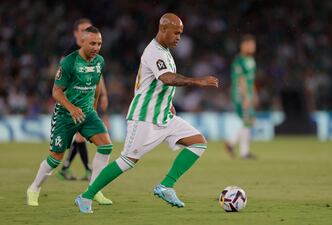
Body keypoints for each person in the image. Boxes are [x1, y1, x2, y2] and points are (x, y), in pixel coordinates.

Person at [74, 13, 219, 214]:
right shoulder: (154, 51)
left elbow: (152, 83)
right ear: (163, 29)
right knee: (127, 161)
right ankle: (86, 196)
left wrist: (167, 102)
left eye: (181, 34)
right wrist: (198, 81)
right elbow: (167, 78)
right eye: (176, 33)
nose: (179, 37)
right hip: (144, 118)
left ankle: (166, 186)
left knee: (198, 142)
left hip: (164, 116)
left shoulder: (165, 51)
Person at [26, 26, 113, 206]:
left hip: (87, 113)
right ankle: (34, 188)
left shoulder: (99, 61)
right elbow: (56, 92)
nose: (96, 47)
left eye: (99, 44)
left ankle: (94, 190)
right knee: (55, 158)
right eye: (92, 43)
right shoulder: (69, 62)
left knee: (106, 146)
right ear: (82, 42)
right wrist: (71, 108)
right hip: (66, 115)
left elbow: (96, 84)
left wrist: (94, 108)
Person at [57, 18, 110, 181]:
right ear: (75, 33)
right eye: (81, 29)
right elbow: (62, 80)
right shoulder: (70, 54)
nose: (84, 32)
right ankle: (83, 169)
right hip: (72, 102)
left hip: (87, 99)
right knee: (76, 138)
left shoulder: (92, 52)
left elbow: (98, 75)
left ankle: (70, 168)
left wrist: (103, 94)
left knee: (80, 137)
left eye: (87, 29)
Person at [225, 34, 258, 159]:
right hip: (239, 94)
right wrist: (245, 97)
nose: (253, 47)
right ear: (244, 45)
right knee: (248, 121)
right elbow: (241, 80)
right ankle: (243, 151)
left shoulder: (251, 60)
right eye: (251, 45)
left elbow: (251, 80)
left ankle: (232, 144)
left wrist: (254, 94)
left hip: (247, 94)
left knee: (249, 121)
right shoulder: (239, 60)